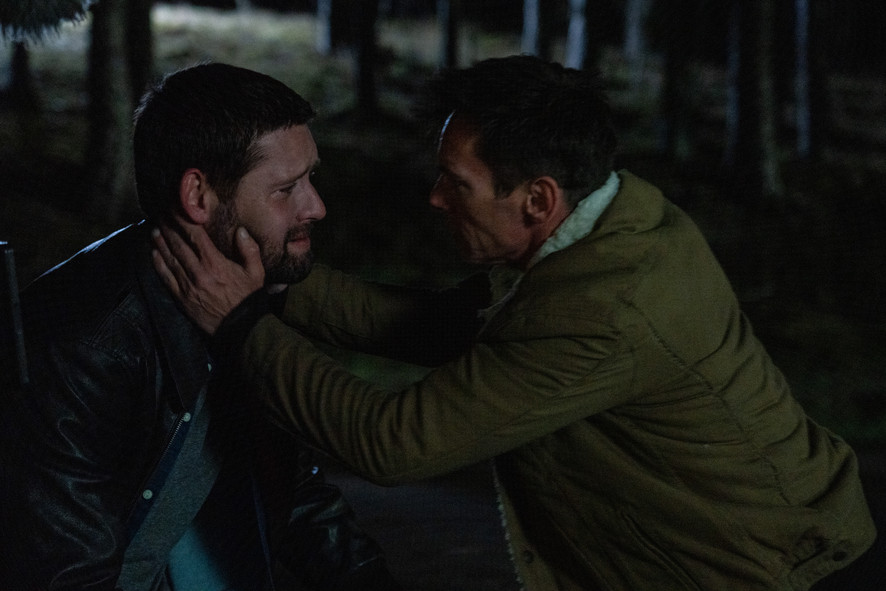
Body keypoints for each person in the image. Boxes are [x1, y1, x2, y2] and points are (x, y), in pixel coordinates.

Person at [152, 56, 876, 590]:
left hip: (774, 574)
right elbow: (430, 326)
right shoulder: (601, 227)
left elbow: (394, 441)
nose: (436, 198)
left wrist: (241, 322)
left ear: (537, 199)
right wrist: (268, 278)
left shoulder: (605, 307)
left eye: (457, 182)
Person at [0, 63, 401, 591]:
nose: (317, 207)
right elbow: (67, 575)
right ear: (199, 197)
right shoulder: (88, 349)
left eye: (311, 178)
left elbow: (295, 493)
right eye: (286, 188)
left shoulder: (245, 293)